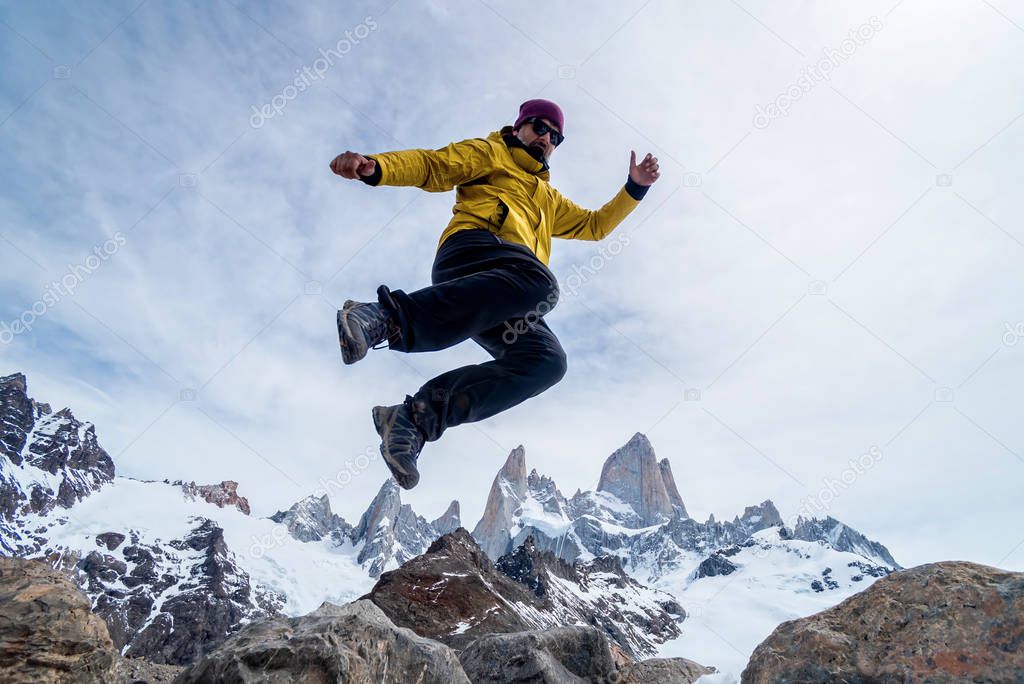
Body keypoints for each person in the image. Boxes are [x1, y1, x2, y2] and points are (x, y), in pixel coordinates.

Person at [329, 99, 660, 489]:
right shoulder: (491, 153)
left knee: (547, 362)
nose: (546, 139)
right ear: (519, 127)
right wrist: (376, 166)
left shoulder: (548, 199)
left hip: (510, 289)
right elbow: (433, 165)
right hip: (472, 252)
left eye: (555, 137)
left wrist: (634, 188)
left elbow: (594, 226)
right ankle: (382, 318)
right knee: (542, 284)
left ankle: (414, 419)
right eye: (539, 128)